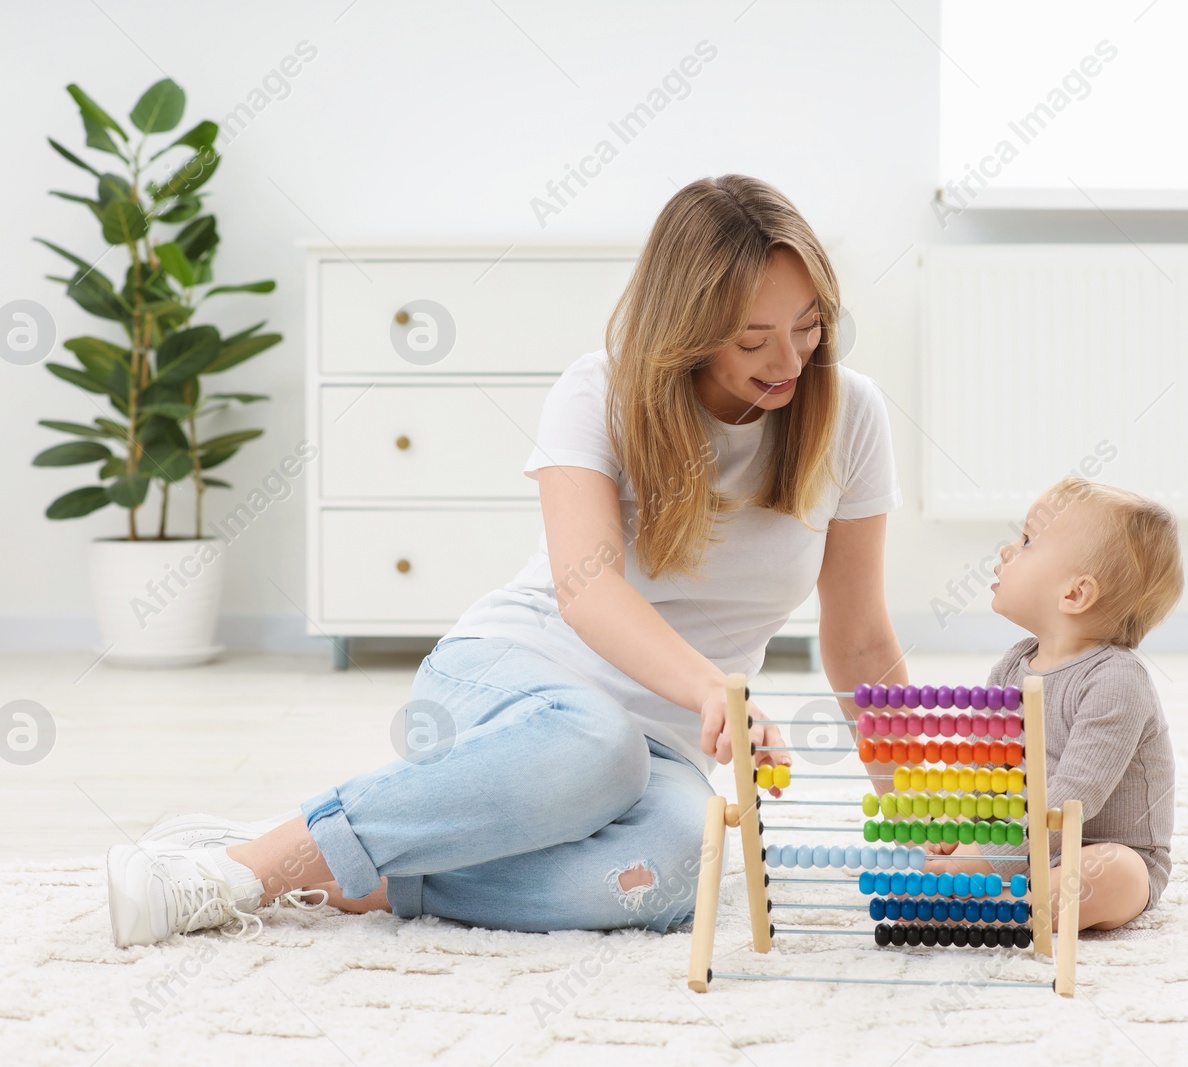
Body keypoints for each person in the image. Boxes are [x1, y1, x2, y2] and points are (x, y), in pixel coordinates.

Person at [104, 173, 910, 948]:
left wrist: (918, 815)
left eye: (808, 325)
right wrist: (712, 688)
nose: (792, 360)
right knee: (598, 745)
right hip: (513, 675)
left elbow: (862, 639)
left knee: (672, 871)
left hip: (662, 739)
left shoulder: (851, 414)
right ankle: (239, 869)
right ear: (689, 325)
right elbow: (586, 590)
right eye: (754, 338)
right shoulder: (598, 392)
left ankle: (356, 870)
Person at [920, 477, 1184, 931]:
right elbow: (990, 768)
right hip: (1023, 838)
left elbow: (1075, 798)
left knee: (1117, 873)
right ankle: (1004, 897)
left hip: (1089, 846)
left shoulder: (1117, 680)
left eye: (1026, 542)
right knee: (930, 857)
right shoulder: (1012, 665)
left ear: (1075, 594)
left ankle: (1008, 913)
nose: (1006, 551)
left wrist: (992, 856)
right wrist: (963, 819)